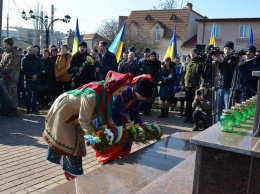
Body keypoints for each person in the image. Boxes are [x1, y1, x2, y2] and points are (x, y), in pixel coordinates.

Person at [42, 70, 133, 180]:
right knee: (73, 145)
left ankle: (71, 172)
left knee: (74, 144)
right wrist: (92, 136)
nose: (121, 94)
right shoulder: (92, 96)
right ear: (113, 87)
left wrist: (113, 128)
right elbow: (84, 119)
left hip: (74, 115)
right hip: (64, 112)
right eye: (120, 91)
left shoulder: (106, 92)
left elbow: (106, 115)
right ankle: (74, 175)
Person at [94, 75, 156, 164]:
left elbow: (135, 115)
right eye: (143, 96)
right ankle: (107, 159)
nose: (144, 98)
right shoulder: (123, 92)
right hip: (104, 115)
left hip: (114, 116)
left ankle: (121, 155)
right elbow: (113, 111)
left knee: (127, 135)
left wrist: (141, 127)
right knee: (114, 136)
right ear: (136, 90)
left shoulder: (135, 97)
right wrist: (123, 128)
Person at [212, 41, 236, 122]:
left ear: (232, 49)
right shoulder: (221, 57)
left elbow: (230, 69)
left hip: (228, 88)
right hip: (219, 87)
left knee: (227, 109)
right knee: (218, 109)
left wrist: (222, 62)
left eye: (229, 49)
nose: (227, 51)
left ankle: (227, 124)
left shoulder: (233, 58)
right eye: (225, 49)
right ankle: (217, 125)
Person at [180, 48, 203, 124]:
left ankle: (193, 118)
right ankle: (187, 116)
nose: (192, 54)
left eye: (193, 53)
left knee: (194, 103)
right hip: (187, 86)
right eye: (191, 53)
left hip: (195, 86)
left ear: (197, 54)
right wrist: (182, 84)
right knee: (188, 102)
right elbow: (183, 74)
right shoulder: (188, 63)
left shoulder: (199, 63)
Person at [0, 37, 21, 117]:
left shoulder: (14, 53)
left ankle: (13, 110)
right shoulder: (6, 53)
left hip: (12, 77)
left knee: (12, 93)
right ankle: (7, 109)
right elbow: (2, 63)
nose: (3, 44)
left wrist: (1, 71)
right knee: (6, 93)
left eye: (4, 43)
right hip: (5, 77)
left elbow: (11, 66)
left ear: (8, 43)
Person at [21, 46, 43, 114]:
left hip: (36, 79)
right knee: (28, 95)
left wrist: (36, 75)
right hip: (27, 79)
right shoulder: (24, 59)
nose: (31, 51)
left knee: (35, 95)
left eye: (32, 50)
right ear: (27, 51)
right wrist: (31, 75)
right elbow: (23, 69)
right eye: (30, 50)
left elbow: (41, 68)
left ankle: (34, 108)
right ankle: (28, 109)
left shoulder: (38, 59)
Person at [142, 51, 160, 115]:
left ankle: (149, 110)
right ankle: (144, 110)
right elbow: (144, 71)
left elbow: (157, 73)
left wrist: (152, 79)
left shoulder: (157, 64)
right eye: (151, 56)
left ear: (155, 57)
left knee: (150, 97)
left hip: (152, 82)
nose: (152, 58)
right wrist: (145, 77)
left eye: (153, 56)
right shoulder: (146, 63)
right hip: (146, 81)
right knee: (145, 97)